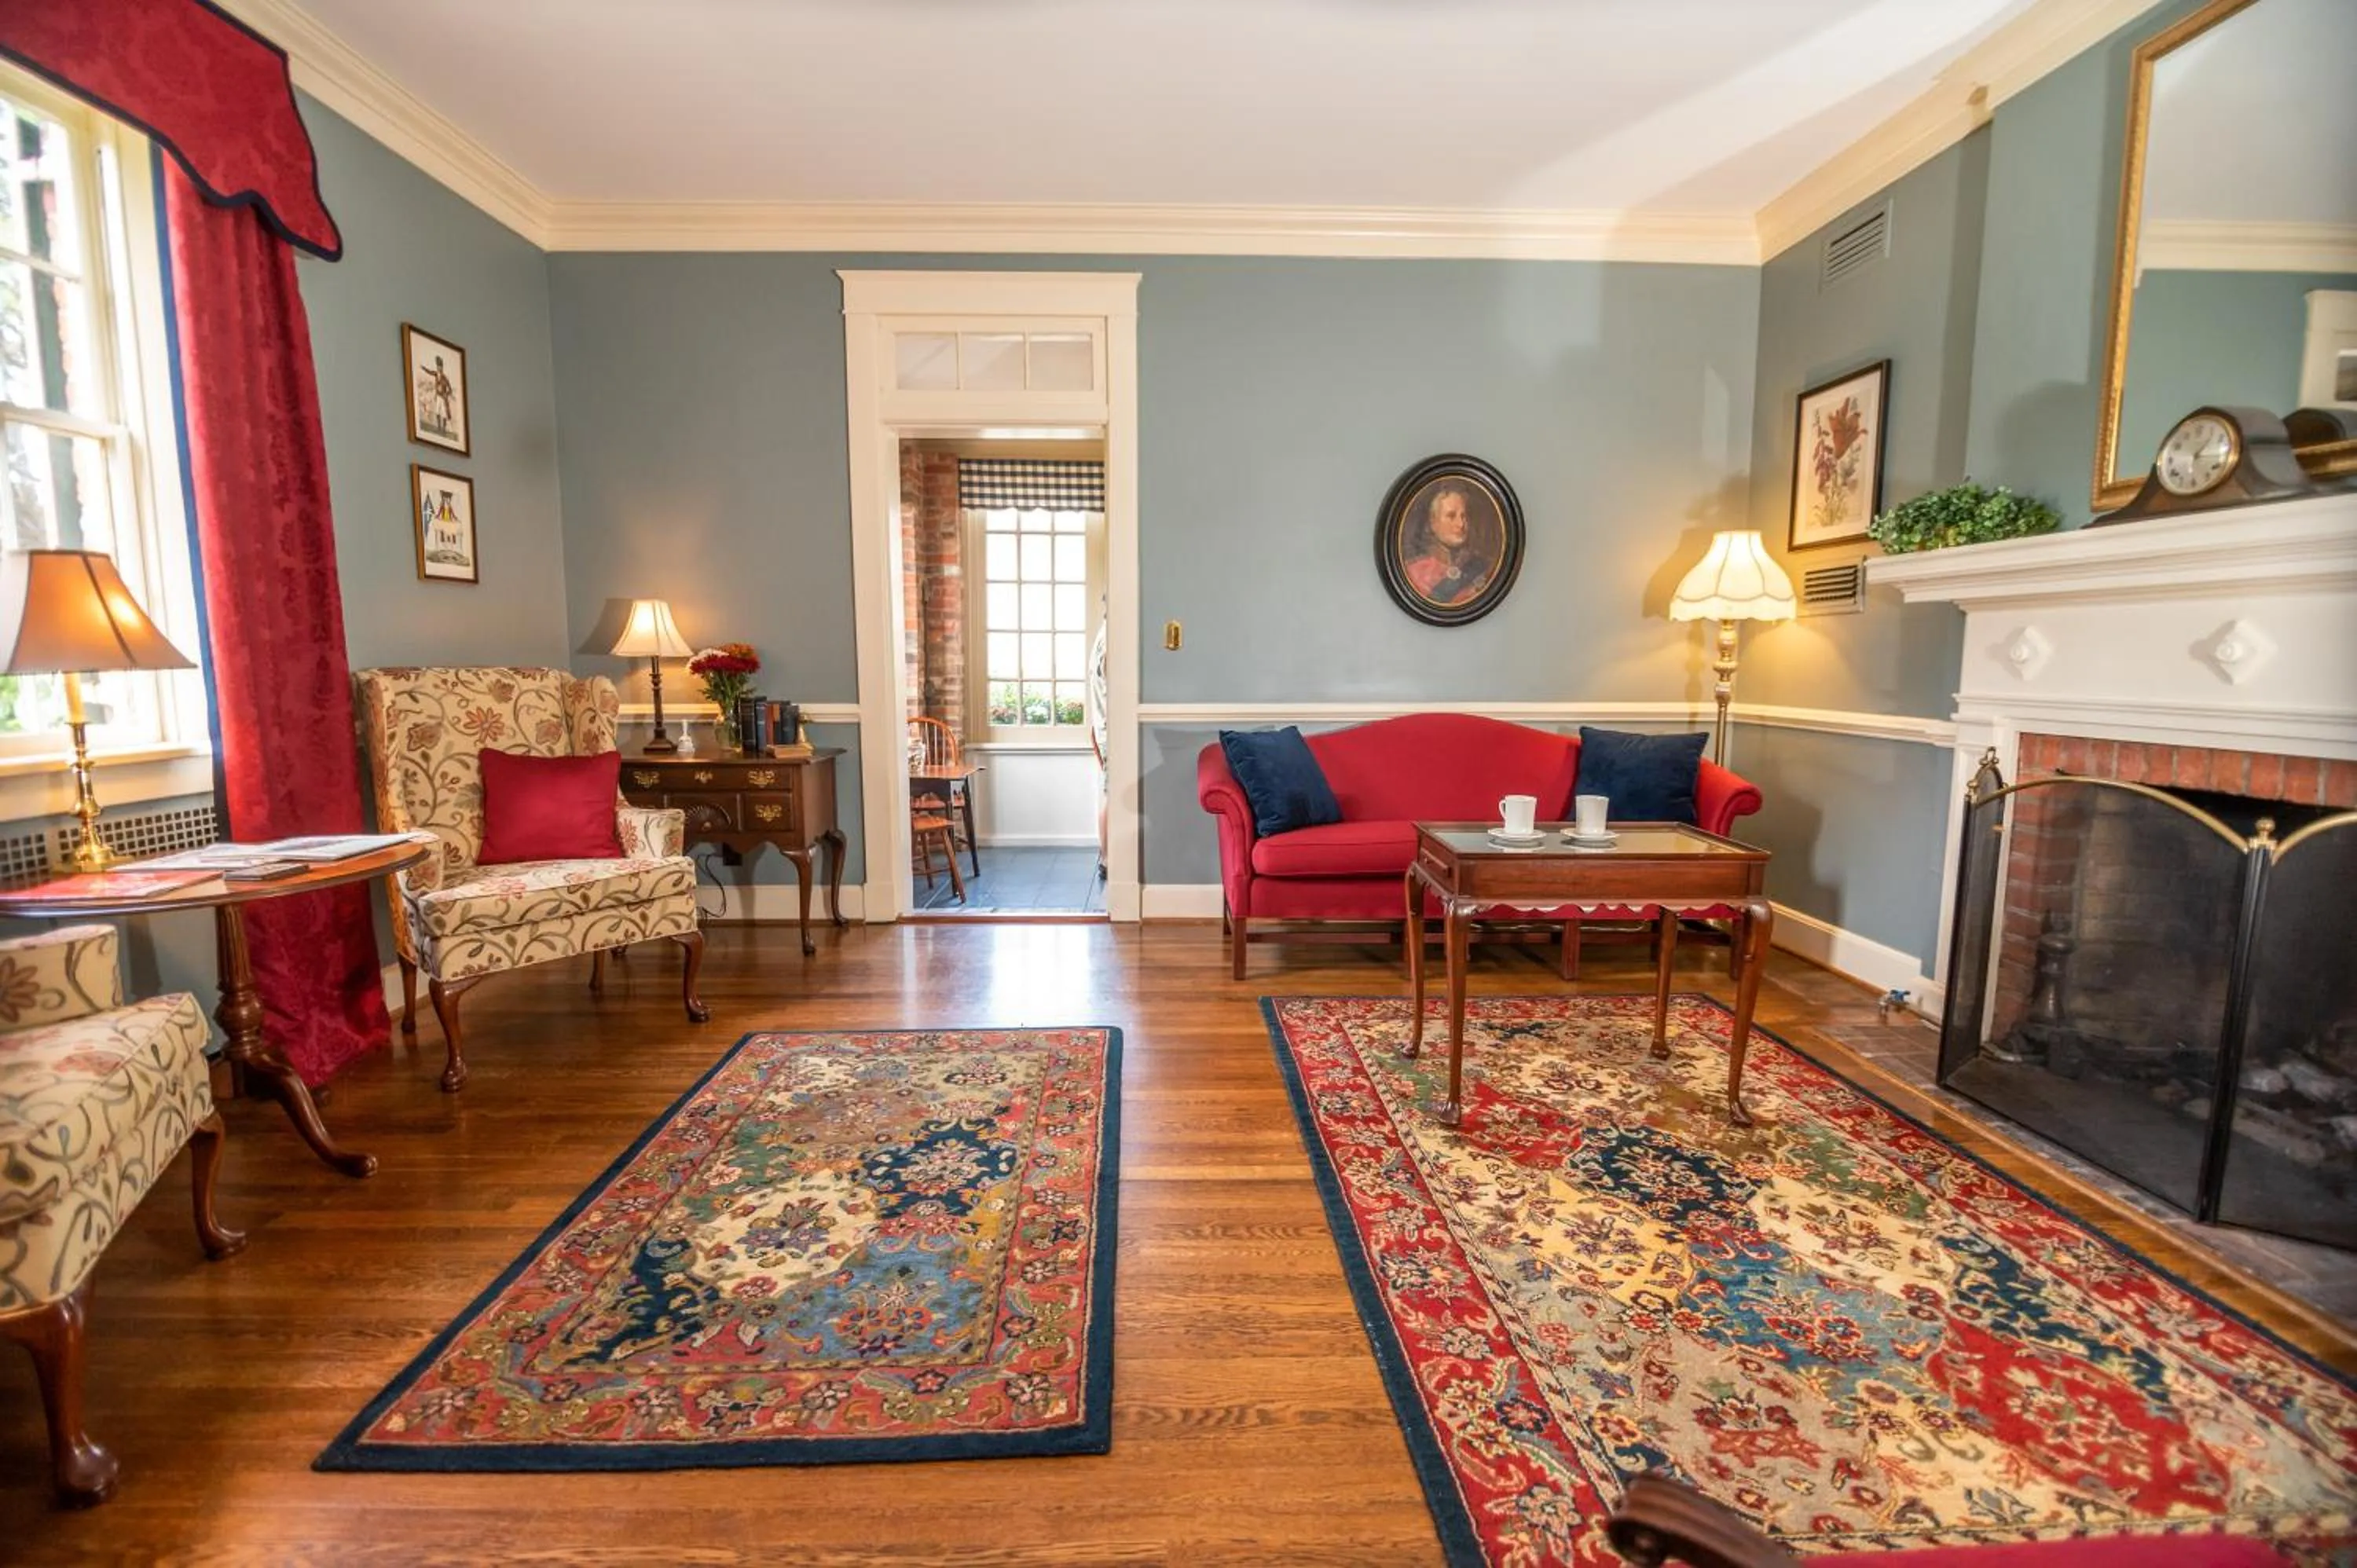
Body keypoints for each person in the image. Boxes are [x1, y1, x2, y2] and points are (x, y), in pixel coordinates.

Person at [1402, 485, 1494, 606]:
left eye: (1464, 516)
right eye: (1451, 516)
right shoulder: (1413, 572)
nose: (1461, 524)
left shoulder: (1486, 567)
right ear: (1433, 523)